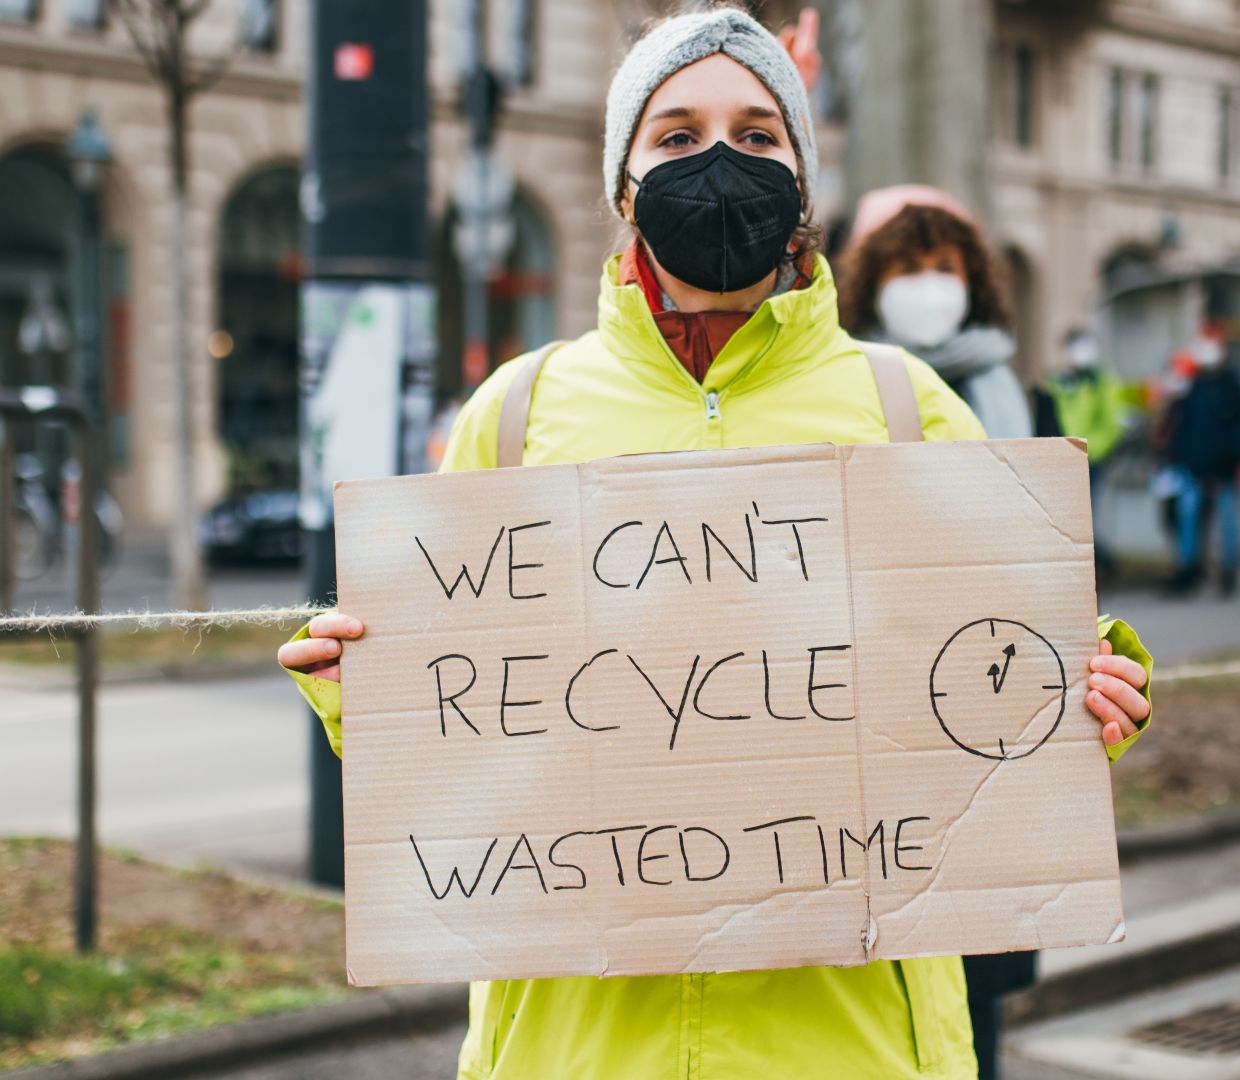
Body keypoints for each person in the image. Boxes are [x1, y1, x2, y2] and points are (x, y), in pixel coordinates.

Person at [273, 10, 1154, 1078]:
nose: (722, 161)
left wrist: (1083, 699)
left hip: (852, 1045)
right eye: (678, 136)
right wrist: (360, 689)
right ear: (623, 183)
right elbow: (459, 729)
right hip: (580, 1048)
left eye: (757, 132)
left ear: (803, 175)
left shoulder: (906, 404)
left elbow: (996, 676)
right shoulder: (517, 413)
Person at [839, 185, 1034, 439]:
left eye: (945, 267)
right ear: (871, 285)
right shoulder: (845, 377)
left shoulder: (999, 379)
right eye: (908, 269)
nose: (929, 286)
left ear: (972, 281)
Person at [1161, 331, 1240, 596]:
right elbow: (1185, 427)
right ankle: (1188, 568)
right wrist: (1182, 458)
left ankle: (1229, 570)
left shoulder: (1232, 385)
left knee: (1228, 519)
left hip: (1225, 466)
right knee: (1187, 516)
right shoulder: (1195, 386)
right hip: (1194, 466)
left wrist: (1235, 454)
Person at [1046, 328, 1135, 581]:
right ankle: (1094, 566)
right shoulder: (1059, 381)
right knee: (1070, 518)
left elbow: (1111, 424)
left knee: (1085, 518)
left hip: (1090, 459)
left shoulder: (1102, 381)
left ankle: (1099, 567)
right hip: (1062, 459)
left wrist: (1088, 449)